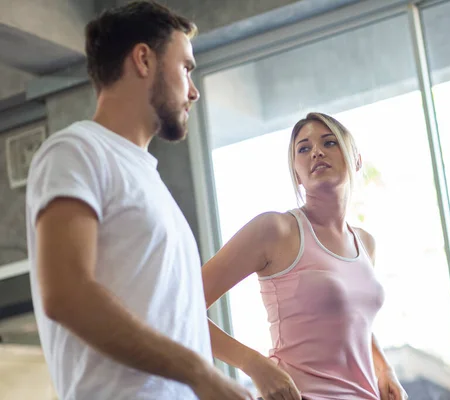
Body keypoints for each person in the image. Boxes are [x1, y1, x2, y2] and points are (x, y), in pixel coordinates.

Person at [25, 2, 253, 399]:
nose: (194, 91)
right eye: (185, 68)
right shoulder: (76, 151)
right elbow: (65, 293)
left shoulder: (149, 182)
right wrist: (200, 373)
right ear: (143, 59)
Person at [202, 112, 409, 400]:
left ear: (356, 159)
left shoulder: (365, 243)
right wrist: (253, 364)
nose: (317, 152)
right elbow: (183, 305)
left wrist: (385, 370)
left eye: (329, 142)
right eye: (304, 148)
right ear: (296, 173)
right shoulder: (275, 230)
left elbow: (352, 321)